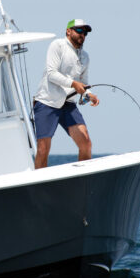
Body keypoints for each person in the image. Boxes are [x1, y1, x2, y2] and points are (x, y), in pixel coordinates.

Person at [32, 18, 100, 169]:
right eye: (79, 30)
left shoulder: (85, 57)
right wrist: (74, 84)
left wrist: (89, 95)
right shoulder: (57, 45)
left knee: (86, 143)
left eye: (85, 32)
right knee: (43, 149)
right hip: (47, 102)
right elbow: (51, 74)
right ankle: (40, 184)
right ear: (68, 31)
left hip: (68, 104)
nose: (82, 35)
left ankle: (83, 179)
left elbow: (84, 82)